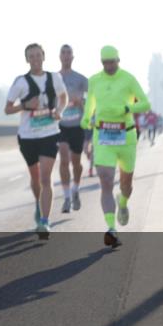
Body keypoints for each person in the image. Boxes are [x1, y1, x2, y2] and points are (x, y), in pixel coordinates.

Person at [80, 45, 150, 248]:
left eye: (112, 62)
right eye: (105, 63)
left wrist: (127, 107)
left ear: (118, 61)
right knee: (106, 179)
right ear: (101, 62)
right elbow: (89, 106)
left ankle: (123, 202)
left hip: (126, 136)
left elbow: (146, 104)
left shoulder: (128, 79)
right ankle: (111, 229)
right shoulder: (94, 81)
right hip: (102, 136)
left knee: (126, 185)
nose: (109, 66)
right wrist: (85, 119)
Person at [4, 43, 68, 239]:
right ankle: (38, 204)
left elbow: (63, 96)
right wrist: (25, 105)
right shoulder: (21, 82)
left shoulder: (54, 78)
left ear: (44, 56)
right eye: (31, 56)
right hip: (28, 136)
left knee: (45, 178)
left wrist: (59, 111)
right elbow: (7, 109)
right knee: (35, 179)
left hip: (49, 133)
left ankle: (45, 222)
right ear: (27, 59)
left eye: (38, 55)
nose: (35, 59)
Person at [56, 44, 88, 213]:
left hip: (77, 125)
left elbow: (92, 102)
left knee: (76, 163)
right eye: (63, 53)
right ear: (59, 57)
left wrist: (80, 102)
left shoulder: (81, 79)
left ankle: (76, 188)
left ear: (73, 57)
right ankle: (67, 197)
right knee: (63, 159)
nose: (66, 56)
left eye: (69, 53)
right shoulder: (54, 78)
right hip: (61, 125)